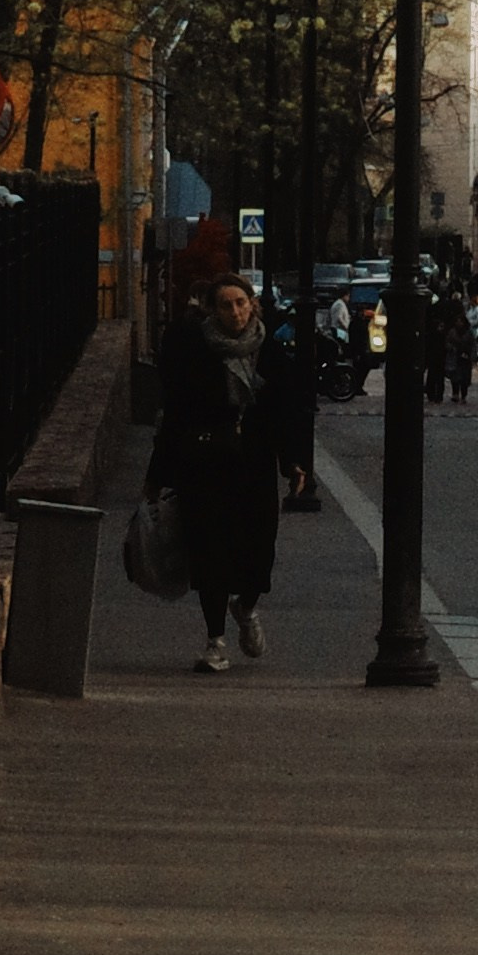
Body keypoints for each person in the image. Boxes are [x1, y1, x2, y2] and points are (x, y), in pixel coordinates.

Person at [148, 274, 307, 673]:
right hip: (204, 465)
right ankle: (214, 641)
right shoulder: (195, 351)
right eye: (226, 305)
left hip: (254, 466)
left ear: (253, 304)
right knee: (210, 552)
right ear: (212, 310)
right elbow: (176, 416)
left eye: (240, 303)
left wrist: (293, 463)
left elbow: (286, 414)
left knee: (259, 551)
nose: (235, 312)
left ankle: (247, 605)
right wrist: (157, 474)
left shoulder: (269, 352)